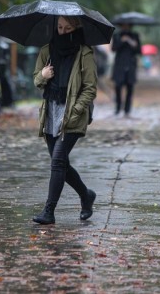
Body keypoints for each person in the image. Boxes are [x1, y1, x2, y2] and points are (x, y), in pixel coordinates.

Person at [31, 16, 98, 225]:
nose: (63, 31)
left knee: (58, 160)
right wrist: (43, 75)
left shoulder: (84, 53)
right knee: (60, 163)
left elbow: (90, 88)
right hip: (51, 112)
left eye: (68, 27)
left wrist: (76, 111)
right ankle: (86, 195)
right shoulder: (46, 51)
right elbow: (36, 81)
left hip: (73, 115)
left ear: (76, 27)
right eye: (59, 27)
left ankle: (49, 211)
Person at [111, 23, 141, 117]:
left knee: (130, 88)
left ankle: (127, 110)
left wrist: (131, 42)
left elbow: (139, 50)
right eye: (124, 25)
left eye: (127, 25)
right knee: (118, 87)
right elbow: (113, 48)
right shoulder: (117, 35)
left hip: (131, 65)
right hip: (119, 65)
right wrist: (122, 41)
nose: (125, 27)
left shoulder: (135, 36)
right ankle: (118, 107)